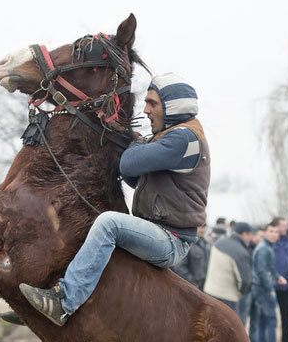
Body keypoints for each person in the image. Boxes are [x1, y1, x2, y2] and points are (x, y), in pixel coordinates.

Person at [19, 73, 209, 326]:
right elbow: (134, 177)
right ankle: (46, 297)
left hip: (171, 240)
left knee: (109, 223)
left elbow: (129, 164)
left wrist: (133, 142)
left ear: (172, 108)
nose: (146, 110)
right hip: (158, 231)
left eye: (152, 103)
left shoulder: (183, 138)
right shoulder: (172, 136)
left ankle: (64, 302)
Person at [249, 221, 286, 342]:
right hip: (262, 289)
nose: (274, 234)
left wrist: (277, 277)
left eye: (276, 232)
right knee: (270, 320)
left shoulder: (267, 247)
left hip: (261, 288)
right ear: (265, 233)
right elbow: (262, 272)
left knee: (264, 321)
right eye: (271, 231)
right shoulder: (264, 249)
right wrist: (269, 289)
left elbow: (270, 268)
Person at [203, 222, 253, 317]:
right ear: (244, 234)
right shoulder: (240, 251)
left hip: (209, 292)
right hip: (227, 298)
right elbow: (245, 281)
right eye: (250, 235)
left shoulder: (218, 243)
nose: (251, 238)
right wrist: (241, 292)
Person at [172, 225, 211, 290]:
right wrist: (192, 283)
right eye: (200, 227)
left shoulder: (207, 244)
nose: (202, 230)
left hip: (203, 285)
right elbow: (179, 266)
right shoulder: (186, 243)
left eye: (204, 227)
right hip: (190, 285)